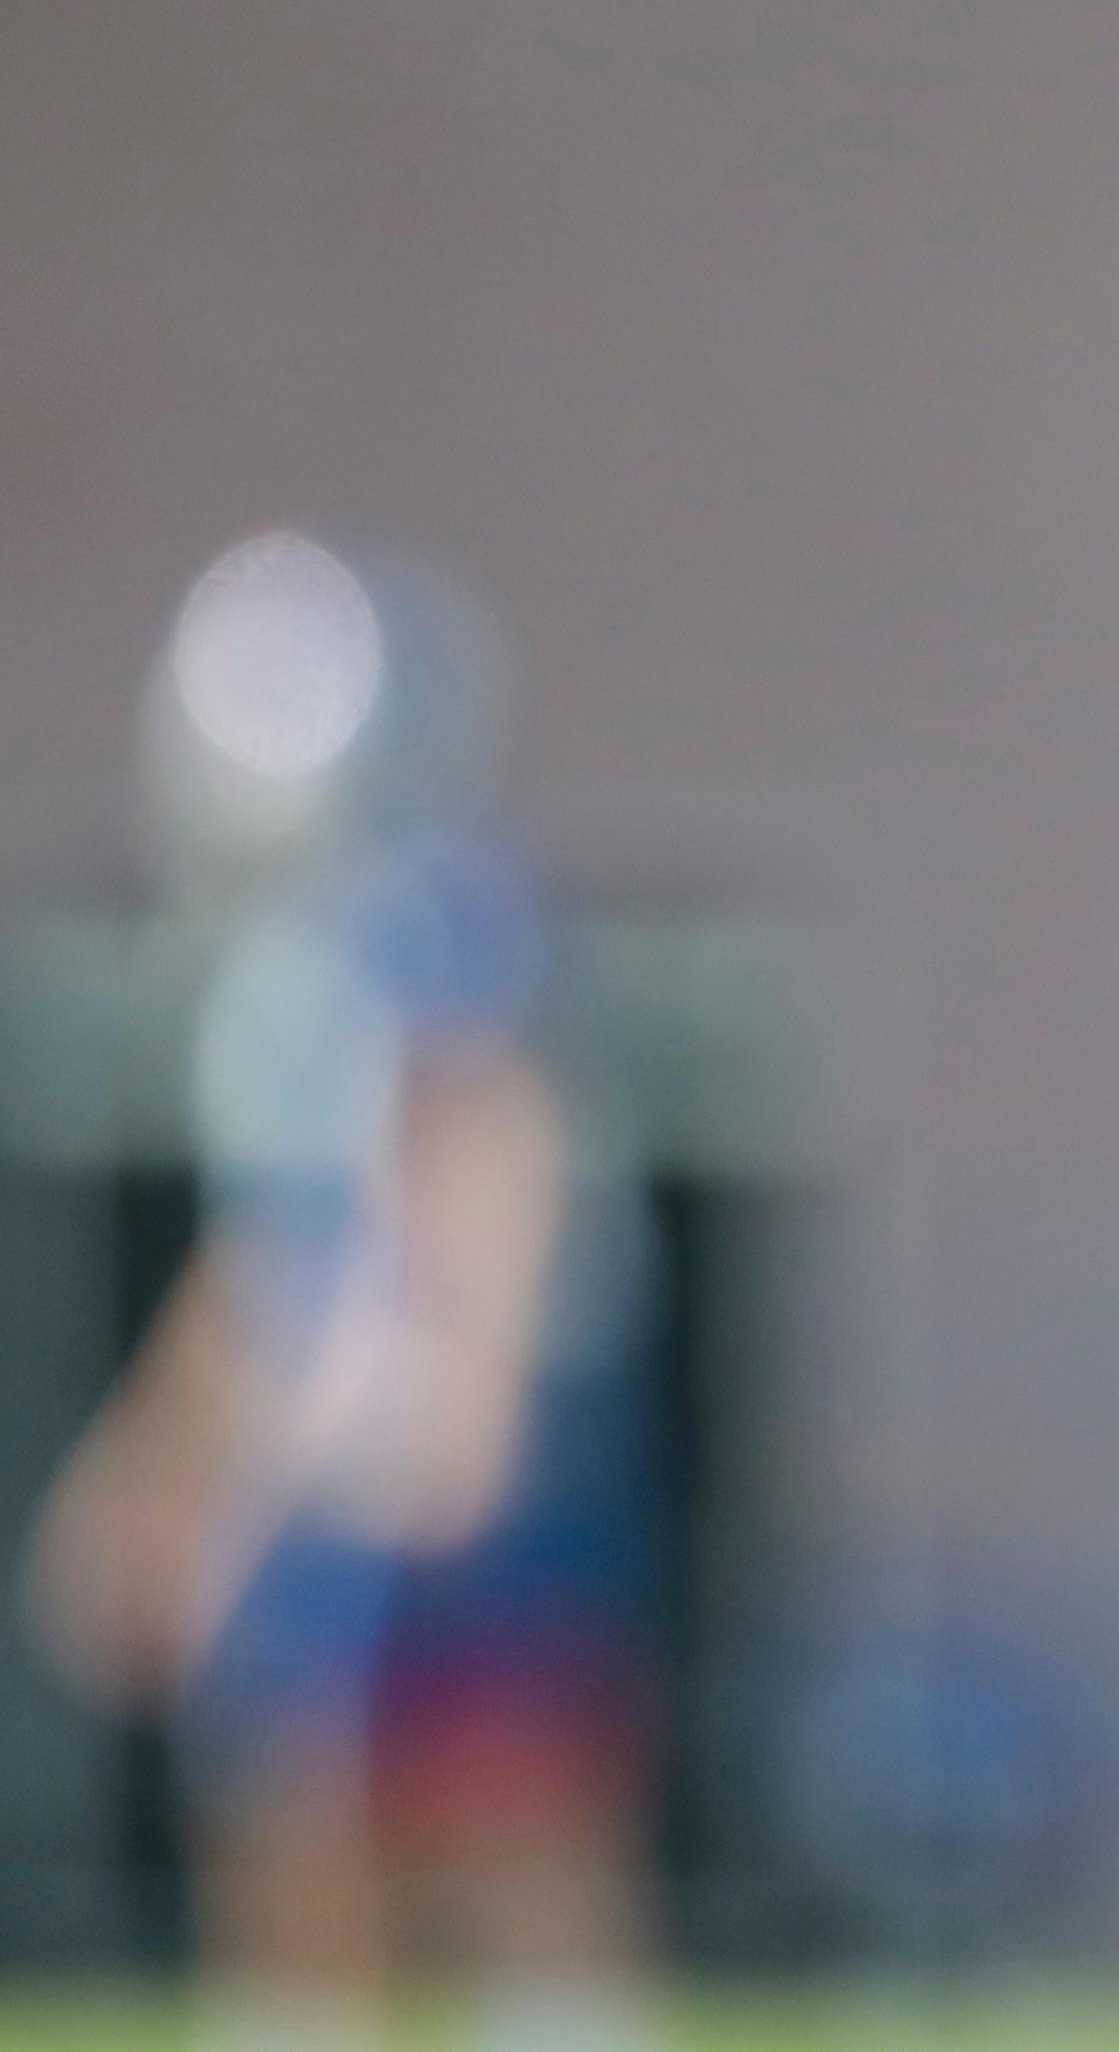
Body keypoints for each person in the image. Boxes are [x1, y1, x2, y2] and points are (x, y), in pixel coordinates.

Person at [26, 532, 660, 2052]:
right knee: (285, 1801)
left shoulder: (435, 907)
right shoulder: (273, 950)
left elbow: (479, 1136)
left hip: (421, 1427)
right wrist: (157, 1464)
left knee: (507, 1808)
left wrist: (469, 1387)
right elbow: (269, 1253)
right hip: (317, 1440)